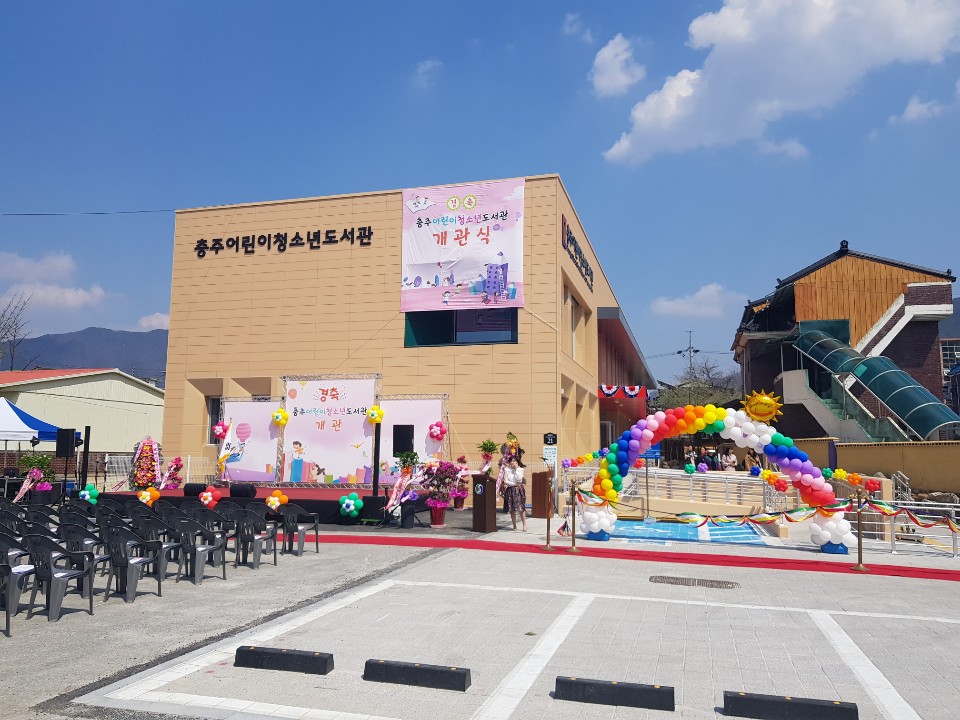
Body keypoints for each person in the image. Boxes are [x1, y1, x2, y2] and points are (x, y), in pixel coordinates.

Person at [501, 454, 527, 531]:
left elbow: (519, 479)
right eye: (511, 461)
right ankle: (514, 525)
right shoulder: (506, 470)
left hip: (519, 490)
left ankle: (524, 525)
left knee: (521, 508)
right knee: (512, 509)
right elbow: (506, 481)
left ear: (517, 462)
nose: (512, 463)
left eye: (514, 461)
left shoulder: (520, 469)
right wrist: (513, 484)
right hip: (511, 490)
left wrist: (516, 470)